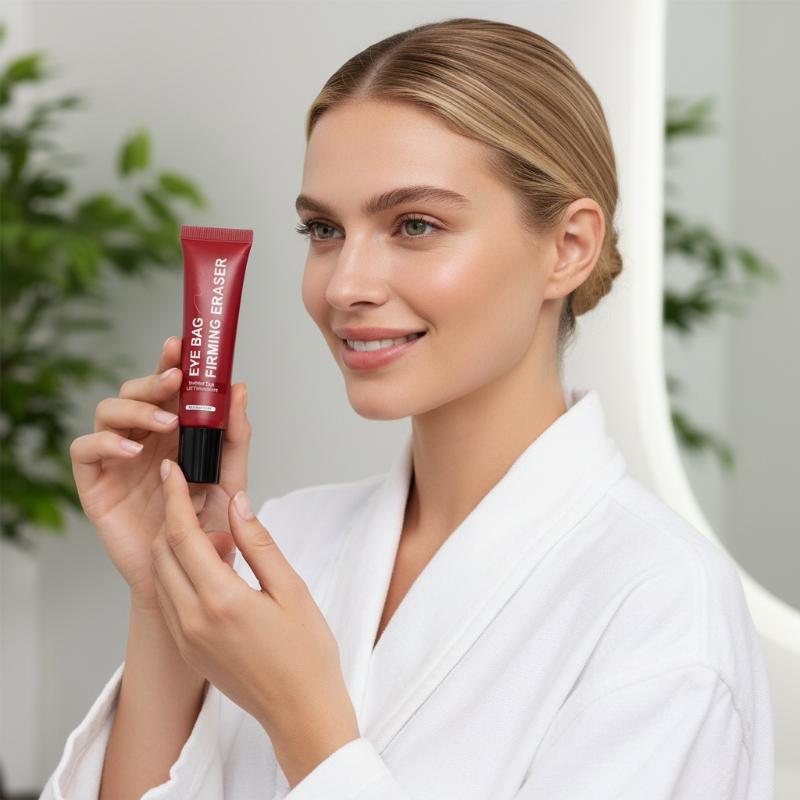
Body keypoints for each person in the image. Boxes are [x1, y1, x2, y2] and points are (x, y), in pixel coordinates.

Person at [40, 16, 773, 800]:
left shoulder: (661, 606)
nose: (345, 284)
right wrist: (166, 593)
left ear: (568, 247)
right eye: (324, 229)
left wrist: (307, 727)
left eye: (414, 225)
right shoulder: (288, 542)